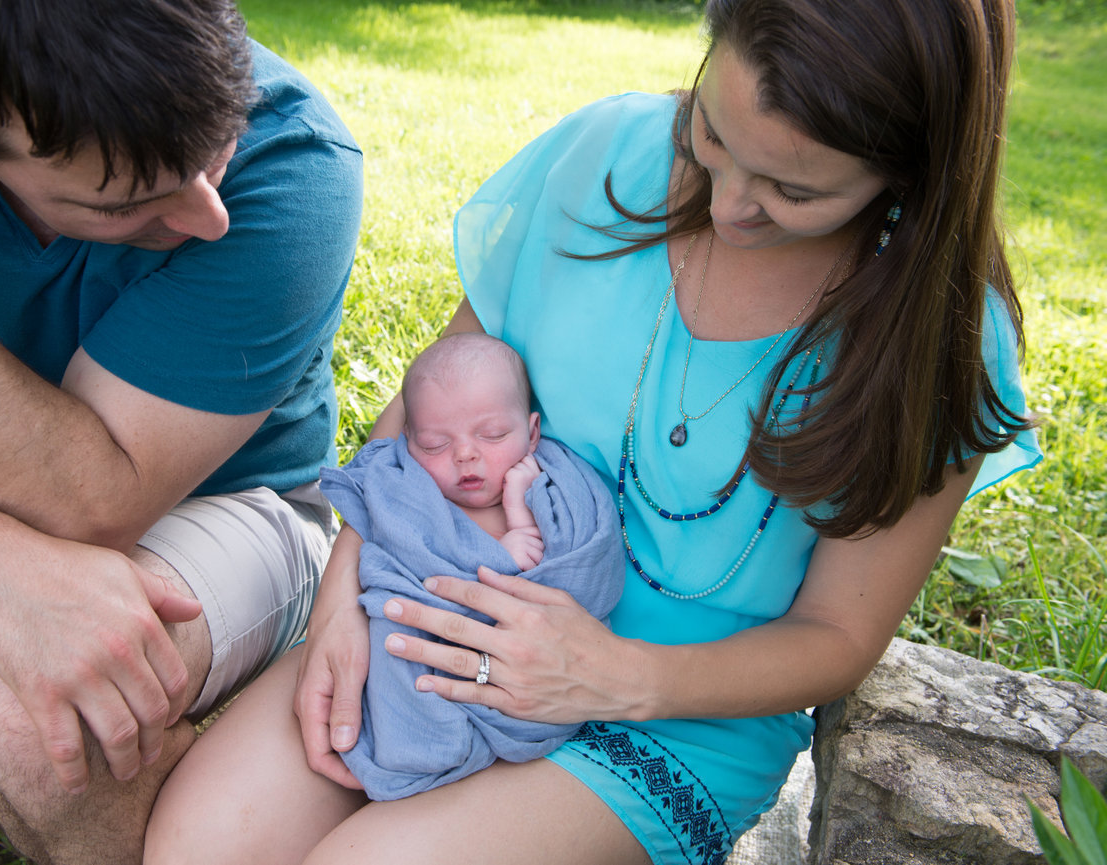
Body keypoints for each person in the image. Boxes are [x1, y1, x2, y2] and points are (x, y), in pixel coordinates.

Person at [144, 0, 1041, 862]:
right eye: (713, 135)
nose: (730, 205)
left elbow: (838, 635)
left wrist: (614, 674)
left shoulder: (942, 340)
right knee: (200, 845)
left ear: (911, 171)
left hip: (671, 714)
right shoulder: (606, 156)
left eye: (793, 191)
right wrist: (342, 597)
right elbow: (434, 405)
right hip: (426, 605)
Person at [0, 0, 361, 861]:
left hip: (236, 500)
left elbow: (84, 504)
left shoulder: (294, 159)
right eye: (124, 203)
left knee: (45, 698)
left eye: (213, 153)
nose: (208, 218)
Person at [320, 332, 624, 800]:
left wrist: (519, 516)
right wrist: (503, 551)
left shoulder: (556, 495)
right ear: (408, 442)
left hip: (529, 686)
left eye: (493, 435)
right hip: (413, 660)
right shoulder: (410, 492)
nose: (464, 454)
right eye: (434, 444)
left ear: (532, 432)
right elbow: (394, 557)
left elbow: (577, 581)